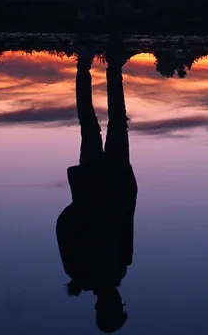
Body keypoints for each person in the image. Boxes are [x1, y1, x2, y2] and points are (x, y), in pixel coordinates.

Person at [56, 43, 137, 332]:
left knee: (95, 125)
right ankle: (109, 66)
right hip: (113, 179)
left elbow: (64, 225)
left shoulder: (83, 271)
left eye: (117, 306)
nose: (119, 300)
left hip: (97, 181)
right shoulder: (117, 267)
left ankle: (88, 65)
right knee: (106, 124)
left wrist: (81, 204)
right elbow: (127, 219)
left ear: (106, 306)